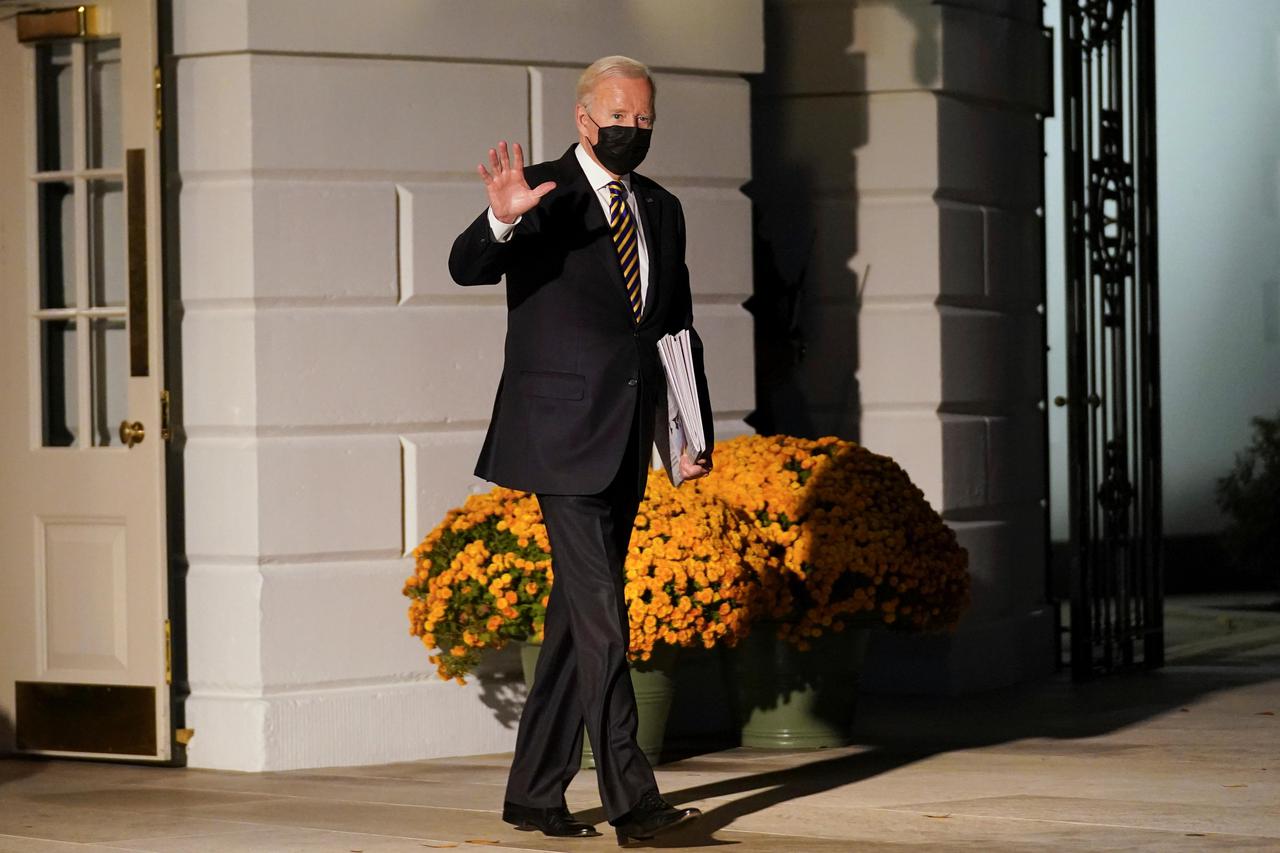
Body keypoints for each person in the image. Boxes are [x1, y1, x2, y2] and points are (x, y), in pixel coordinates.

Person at [448, 55, 715, 846]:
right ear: (583, 119)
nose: (633, 131)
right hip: (560, 437)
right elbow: (467, 265)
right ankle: (636, 801)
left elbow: (673, 327)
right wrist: (502, 218)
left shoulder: (660, 208)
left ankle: (534, 792)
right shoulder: (539, 191)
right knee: (604, 620)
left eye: (645, 120)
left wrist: (689, 433)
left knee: (574, 618)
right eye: (619, 117)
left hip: (629, 436)